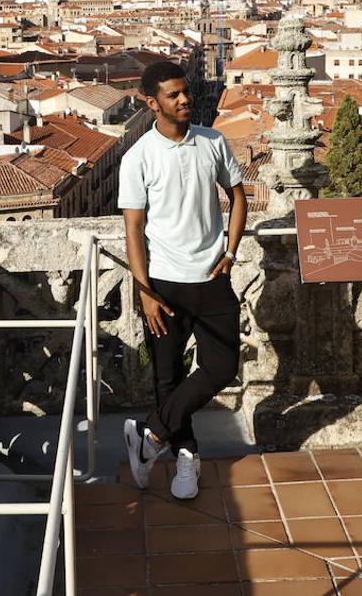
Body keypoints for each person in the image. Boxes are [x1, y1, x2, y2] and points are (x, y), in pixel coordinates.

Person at [117, 60, 248, 499]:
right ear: (152, 103)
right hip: (164, 283)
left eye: (186, 91)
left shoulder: (213, 141)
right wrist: (145, 292)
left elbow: (237, 194)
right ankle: (186, 458)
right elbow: (133, 229)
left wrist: (230, 251)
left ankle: (150, 437)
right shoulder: (138, 158)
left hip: (212, 276)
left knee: (222, 367)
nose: (185, 99)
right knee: (167, 377)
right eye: (173, 95)